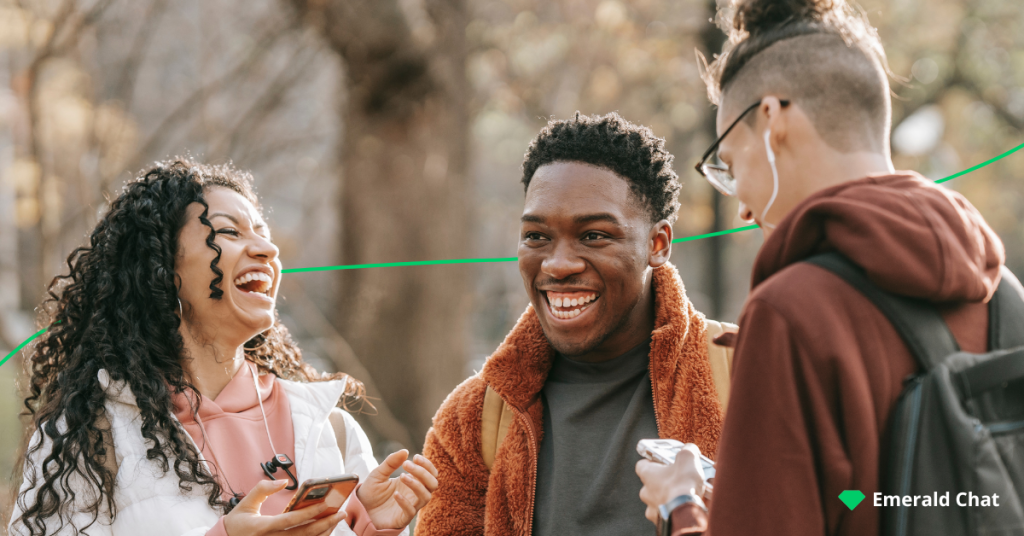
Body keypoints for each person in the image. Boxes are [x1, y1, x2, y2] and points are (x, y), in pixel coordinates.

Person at [636, 0, 1006, 535]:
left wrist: (681, 507)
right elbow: (877, 496)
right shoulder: (1001, 291)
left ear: (771, 117)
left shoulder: (790, 313)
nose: (740, 206)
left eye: (731, 165)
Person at [9, 159, 439, 536]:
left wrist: (370, 527)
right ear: (162, 271)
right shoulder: (89, 436)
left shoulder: (332, 429)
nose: (268, 249)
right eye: (229, 232)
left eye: (264, 234)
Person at [416, 112, 735, 536]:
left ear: (657, 244)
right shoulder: (474, 420)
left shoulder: (749, 370)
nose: (558, 264)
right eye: (536, 236)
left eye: (594, 235)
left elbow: (854, 498)